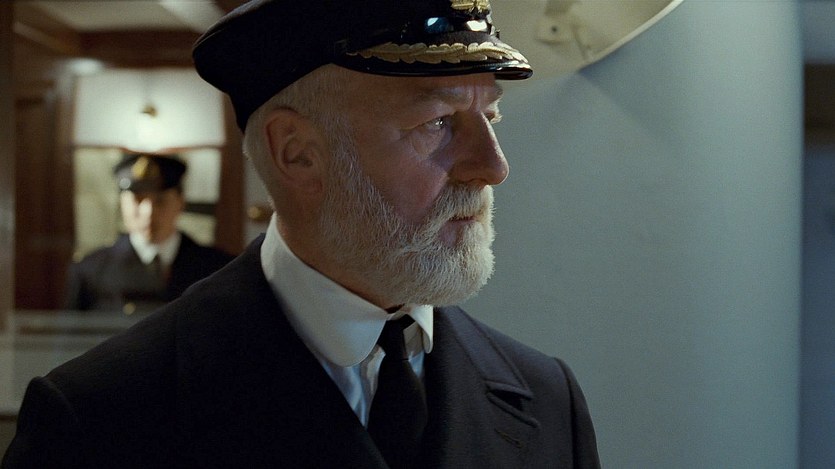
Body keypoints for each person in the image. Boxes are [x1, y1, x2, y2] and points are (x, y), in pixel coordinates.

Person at [2, 1, 600, 467]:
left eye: (489, 116)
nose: (493, 167)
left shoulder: (547, 399)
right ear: (297, 154)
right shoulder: (100, 420)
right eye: (438, 122)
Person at [63, 153, 234, 314]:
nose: (148, 213)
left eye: (160, 201)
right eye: (137, 200)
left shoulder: (218, 269)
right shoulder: (91, 271)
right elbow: (74, 333)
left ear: (180, 203)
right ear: (122, 204)